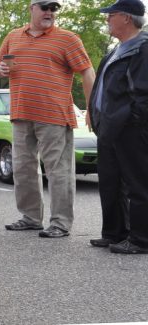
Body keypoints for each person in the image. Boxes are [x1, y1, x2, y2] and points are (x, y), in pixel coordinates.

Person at [0, 0, 95, 238]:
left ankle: (60, 223)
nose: (50, 12)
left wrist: (92, 107)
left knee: (59, 171)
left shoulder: (68, 39)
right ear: (32, 8)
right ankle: (30, 217)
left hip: (54, 116)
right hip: (21, 113)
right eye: (45, 7)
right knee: (23, 168)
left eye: (54, 8)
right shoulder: (13, 36)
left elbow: (87, 71)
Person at [87, 0, 148, 254]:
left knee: (138, 183)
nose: (106, 20)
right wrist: (95, 114)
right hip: (109, 128)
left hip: (130, 128)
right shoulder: (118, 50)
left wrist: (132, 120)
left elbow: (142, 94)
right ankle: (114, 233)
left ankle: (141, 240)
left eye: (109, 15)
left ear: (125, 17)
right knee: (110, 182)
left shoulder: (142, 49)